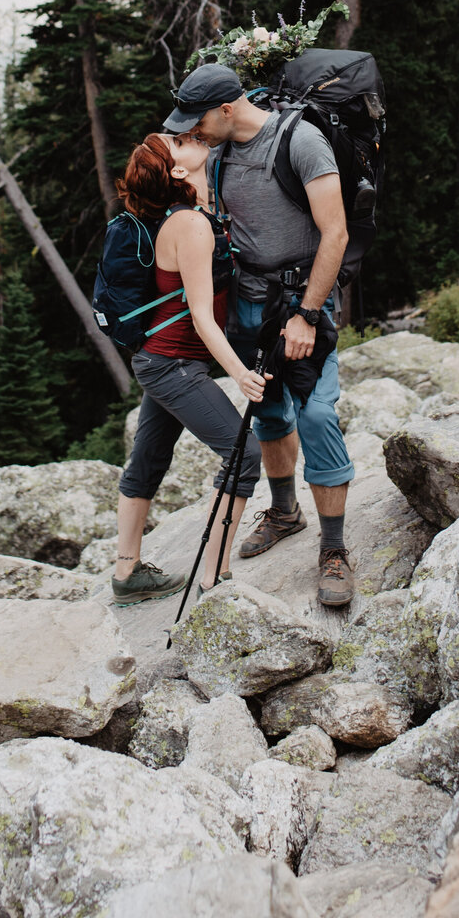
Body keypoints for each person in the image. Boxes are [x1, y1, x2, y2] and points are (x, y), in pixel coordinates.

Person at [163, 63, 355, 608]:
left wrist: (309, 314)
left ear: (227, 108)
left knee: (316, 413)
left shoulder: (301, 140)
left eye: (196, 120)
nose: (191, 131)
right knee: (266, 408)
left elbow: (335, 232)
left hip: (301, 302)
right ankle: (286, 512)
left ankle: (335, 550)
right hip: (249, 304)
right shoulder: (218, 153)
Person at [112, 130, 267, 606]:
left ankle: (127, 573)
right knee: (244, 456)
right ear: (178, 171)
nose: (191, 136)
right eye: (178, 141)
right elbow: (201, 316)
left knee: (148, 459)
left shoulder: (197, 214)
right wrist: (240, 373)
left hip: (163, 359)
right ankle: (214, 581)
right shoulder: (190, 225)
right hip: (171, 363)